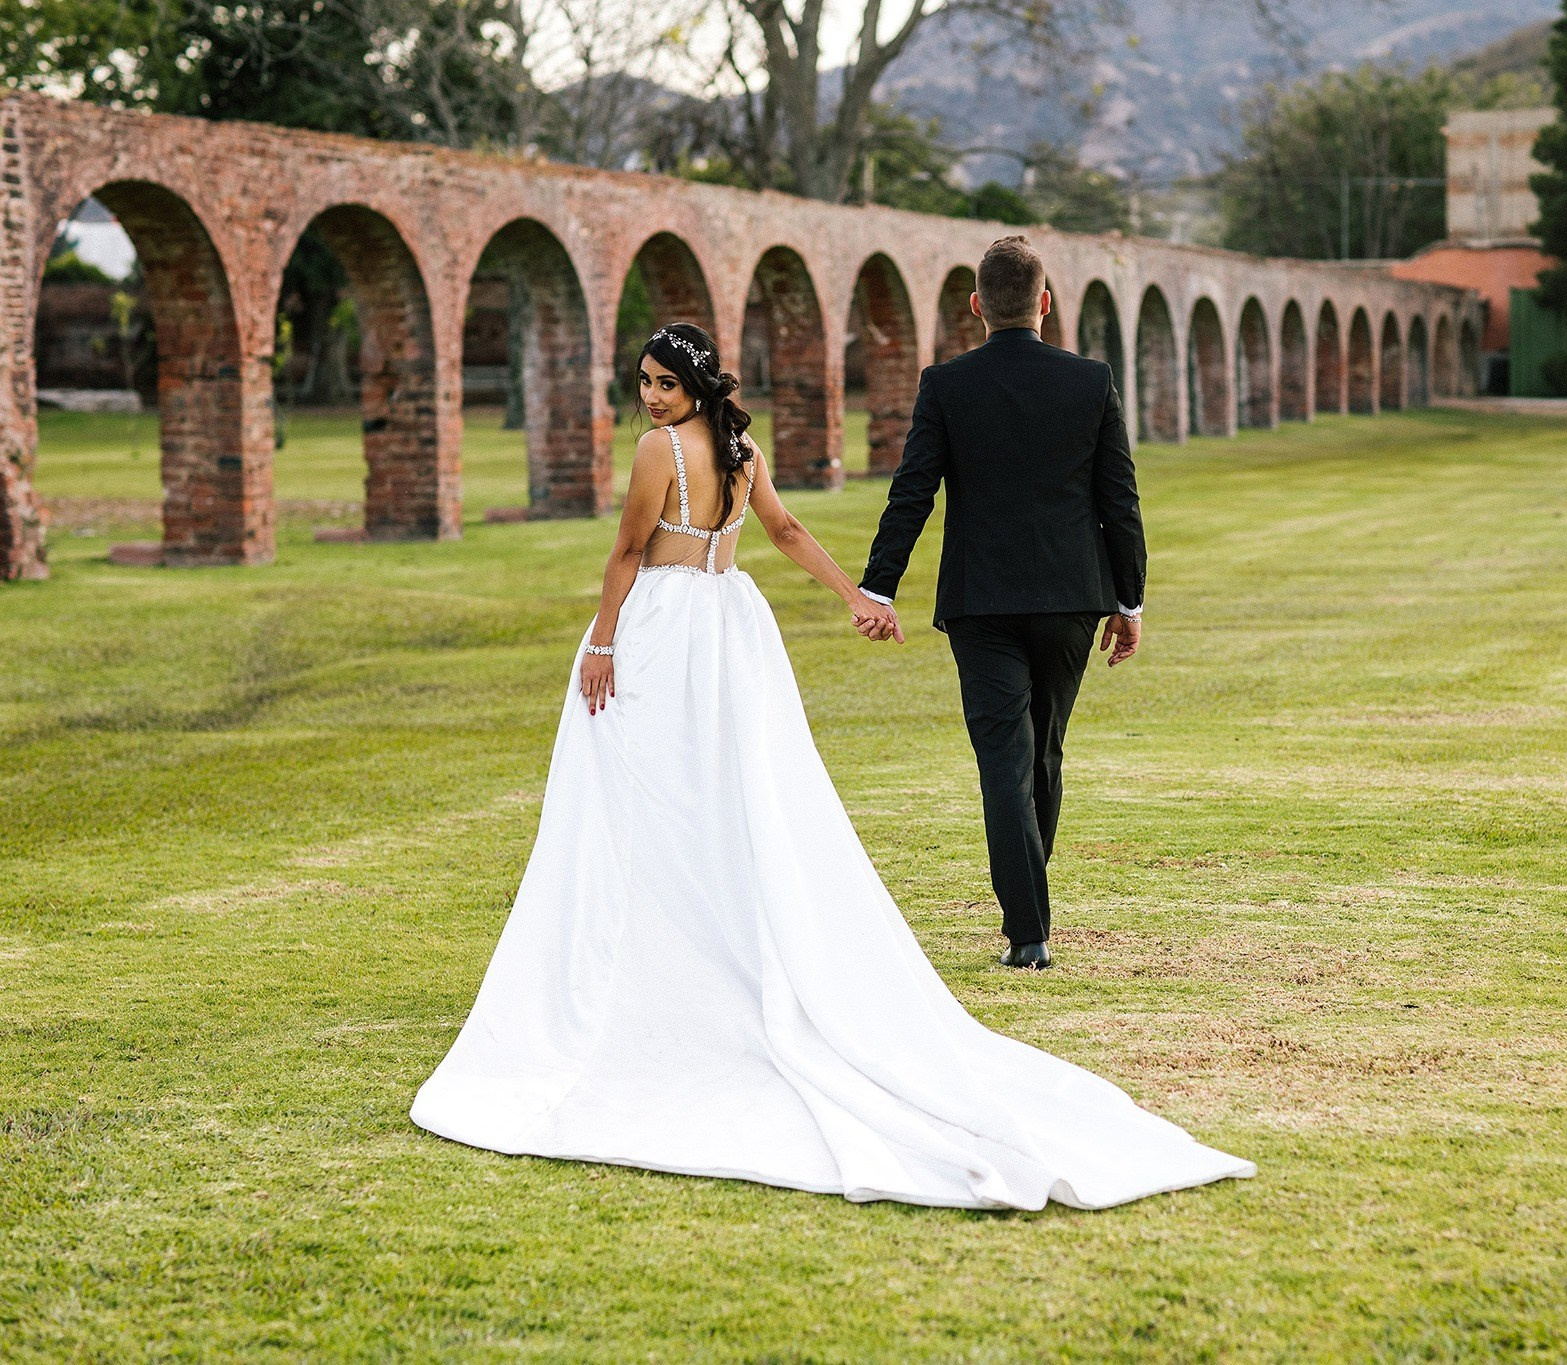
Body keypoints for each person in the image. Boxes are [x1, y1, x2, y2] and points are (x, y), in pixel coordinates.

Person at [410, 322, 1251, 1210]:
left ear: (693, 385)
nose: (649, 397)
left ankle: (659, 950)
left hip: (661, 626)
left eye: (662, 381)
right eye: (643, 382)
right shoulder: (740, 451)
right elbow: (781, 529)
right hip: (729, 623)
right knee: (710, 788)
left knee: (653, 790)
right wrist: (854, 595)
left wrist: (604, 642)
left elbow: (629, 552)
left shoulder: (663, 451)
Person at [858, 235, 1143, 972]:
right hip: (1071, 597)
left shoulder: (946, 385)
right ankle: (1029, 917)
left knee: (1006, 760)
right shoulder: (1091, 382)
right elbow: (1119, 499)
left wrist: (880, 583)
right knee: (1041, 752)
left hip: (981, 600)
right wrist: (1129, 598)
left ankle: (1027, 925)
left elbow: (911, 491)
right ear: (1045, 303)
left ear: (978, 305)